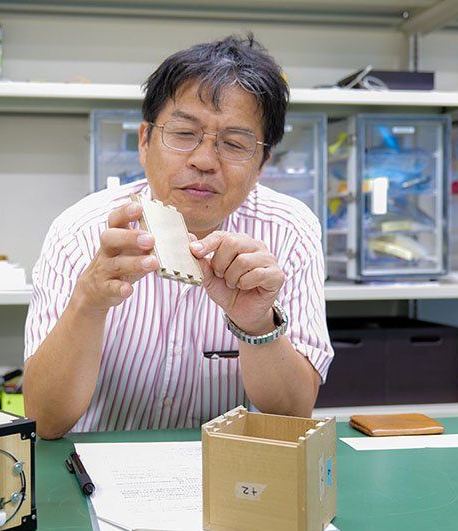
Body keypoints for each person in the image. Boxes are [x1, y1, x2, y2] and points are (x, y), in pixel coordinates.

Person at [23, 34, 333, 439]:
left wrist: (257, 325)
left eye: (235, 144)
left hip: (226, 470)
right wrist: (90, 299)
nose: (204, 161)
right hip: (91, 470)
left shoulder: (290, 231)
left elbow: (293, 415)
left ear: (261, 164)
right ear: (144, 141)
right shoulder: (80, 232)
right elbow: (44, 421)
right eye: (183, 134)